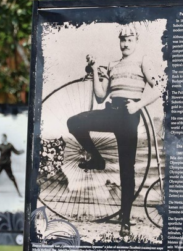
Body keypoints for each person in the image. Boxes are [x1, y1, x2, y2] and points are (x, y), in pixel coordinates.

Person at [66, 23, 164, 237]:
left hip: (129, 116)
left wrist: (138, 105)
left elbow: (160, 86)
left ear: (136, 42)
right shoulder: (112, 65)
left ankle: (125, 220)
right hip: (111, 111)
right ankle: (98, 159)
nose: (126, 43)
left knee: (126, 171)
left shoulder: (142, 61)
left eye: (130, 39)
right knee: (74, 122)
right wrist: (94, 69)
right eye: (123, 39)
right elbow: (101, 96)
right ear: (119, 42)